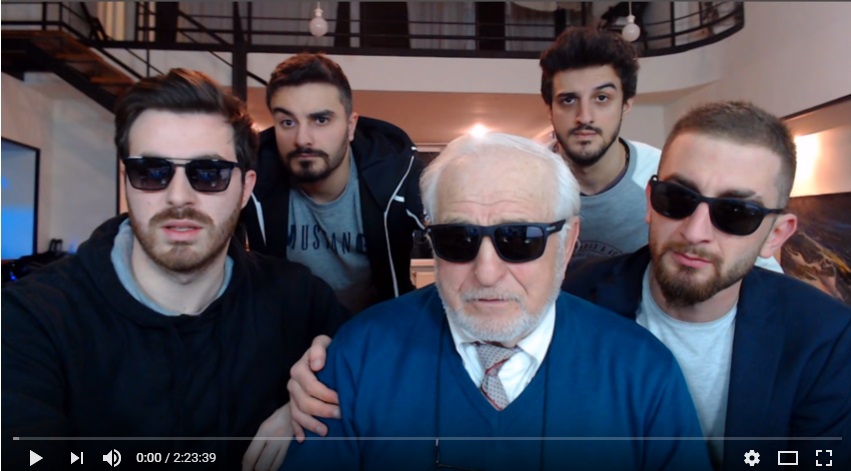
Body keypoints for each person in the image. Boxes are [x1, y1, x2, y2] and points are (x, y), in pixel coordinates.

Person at [281, 133, 711, 471]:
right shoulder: (359, 357)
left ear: (568, 243)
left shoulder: (643, 373)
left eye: (520, 239)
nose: (486, 272)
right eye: (457, 239)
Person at [1, 69, 348, 470]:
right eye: (152, 172)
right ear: (126, 180)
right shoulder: (30, 320)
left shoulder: (300, 301)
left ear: (246, 188)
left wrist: (315, 402)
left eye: (209, 174)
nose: (179, 197)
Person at [563, 101, 851, 470]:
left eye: (736, 213)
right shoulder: (573, 302)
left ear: (776, 235)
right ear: (650, 202)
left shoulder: (825, 338)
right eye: (677, 198)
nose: (695, 232)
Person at [539, 28, 783, 273]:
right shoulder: (529, 179)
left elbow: (765, 271)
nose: (584, 117)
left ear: (626, 105)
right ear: (550, 109)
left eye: (601, 98)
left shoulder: (669, 177)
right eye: (568, 100)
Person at [240, 53, 425, 313]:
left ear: (350, 127)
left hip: (377, 330)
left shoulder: (397, 175)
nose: (302, 139)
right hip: (289, 333)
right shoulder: (253, 181)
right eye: (288, 122)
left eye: (321, 120)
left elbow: (454, 232)